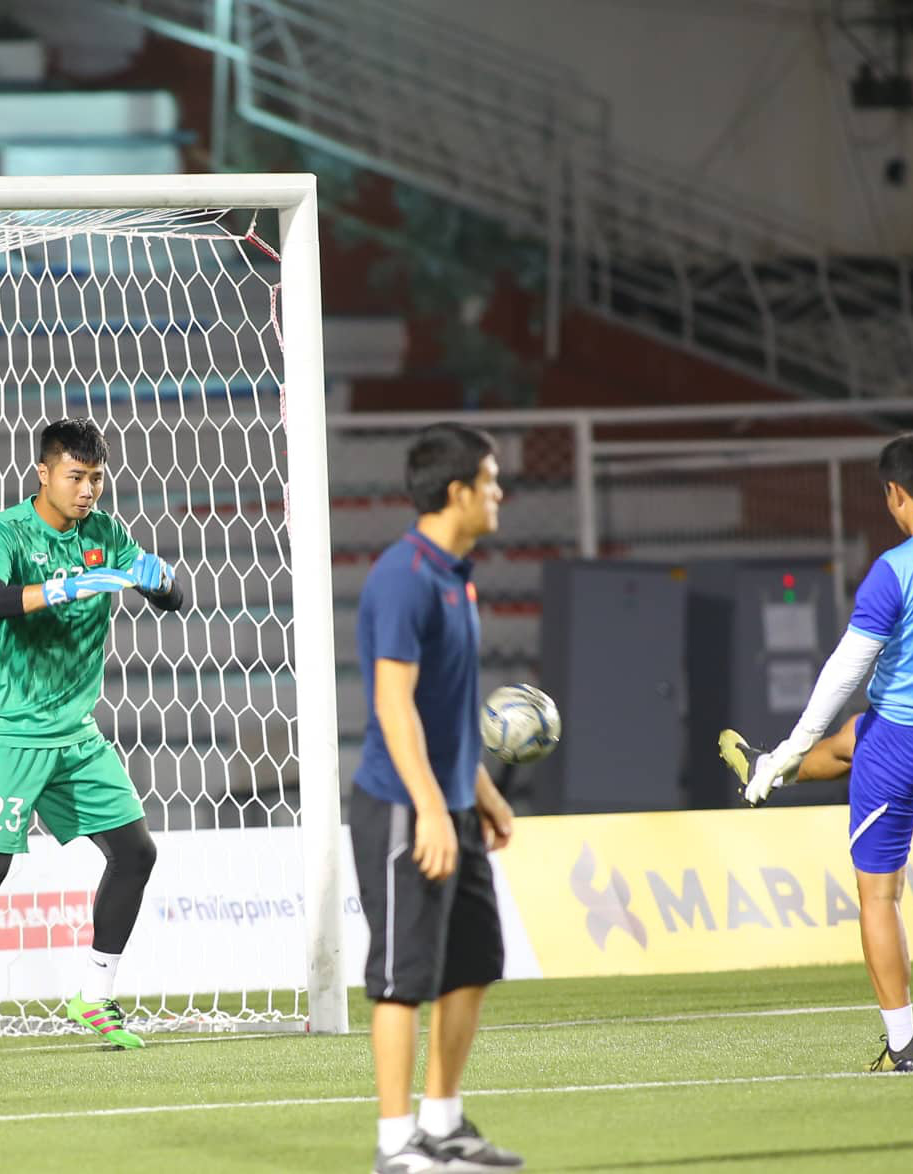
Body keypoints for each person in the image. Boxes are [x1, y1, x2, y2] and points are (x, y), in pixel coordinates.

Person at [720, 432, 913, 1074]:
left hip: (900, 747)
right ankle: (766, 769)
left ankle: (903, 1049)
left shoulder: (895, 570)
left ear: (894, 495)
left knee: (878, 897)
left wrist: (794, 741)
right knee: (851, 740)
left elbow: (844, 670)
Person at [0, 417, 183, 1055]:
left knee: (136, 854)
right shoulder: (4, 532)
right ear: (44, 473)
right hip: (7, 729)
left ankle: (94, 994)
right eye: (75, 477)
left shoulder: (108, 532)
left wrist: (159, 578)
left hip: (74, 732)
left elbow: (173, 597)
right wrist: (63, 588)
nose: (88, 490)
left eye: (96, 478)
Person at [350, 423, 522, 1174]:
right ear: (456, 491)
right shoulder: (403, 576)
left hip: (450, 800)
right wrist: (426, 805)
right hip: (400, 804)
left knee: (474, 962)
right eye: (489, 480)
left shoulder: (456, 574)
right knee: (403, 978)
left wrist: (478, 790)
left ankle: (443, 1124)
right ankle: (396, 1146)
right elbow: (394, 705)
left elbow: (450, 705)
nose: (499, 493)